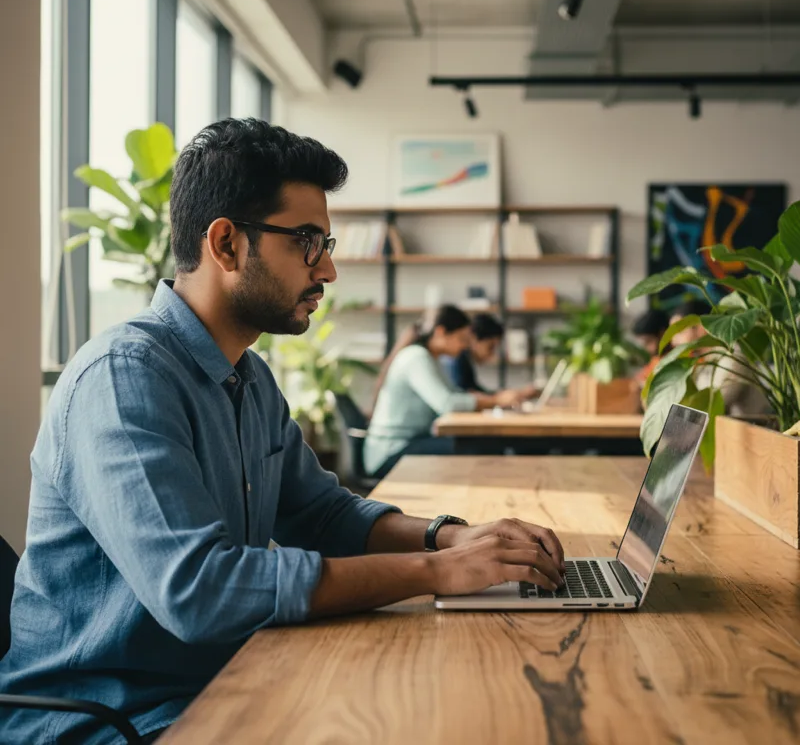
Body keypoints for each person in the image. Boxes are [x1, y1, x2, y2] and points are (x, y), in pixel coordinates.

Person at [0, 119, 565, 745]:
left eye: (324, 242)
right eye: (306, 241)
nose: (326, 270)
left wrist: (451, 538)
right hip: (111, 720)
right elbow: (200, 591)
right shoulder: (123, 381)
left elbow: (323, 517)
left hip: (226, 680)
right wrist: (435, 573)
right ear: (226, 244)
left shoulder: (249, 377)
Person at [364, 306, 526, 480]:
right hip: (391, 452)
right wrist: (496, 400)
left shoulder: (430, 358)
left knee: (479, 445)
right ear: (441, 332)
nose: (465, 346)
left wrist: (489, 399)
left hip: (409, 443)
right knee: (479, 448)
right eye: (462, 339)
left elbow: (454, 394)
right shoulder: (416, 357)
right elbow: (447, 404)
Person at [668, 298, 769, 416]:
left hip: (754, 430)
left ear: (701, 327)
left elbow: (714, 405)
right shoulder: (703, 361)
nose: (673, 342)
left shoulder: (732, 354)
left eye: (679, 333)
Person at [632, 308, 670, 387]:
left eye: (648, 342)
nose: (646, 348)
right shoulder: (656, 360)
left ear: (662, 334)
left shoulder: (684, 356)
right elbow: (639, 379)